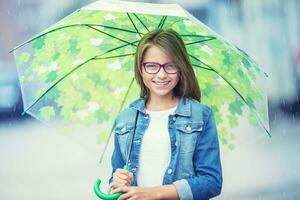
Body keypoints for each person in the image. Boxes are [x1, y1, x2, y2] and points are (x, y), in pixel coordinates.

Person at [109, 29, 222, 200]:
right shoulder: (125, 120)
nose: (161, 74)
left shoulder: (200, 115)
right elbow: (116, 185)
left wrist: (154, 193)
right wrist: (116, 183)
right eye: (152, 66)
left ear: (181, 67)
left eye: (170, 66)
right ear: (140, 69)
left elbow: (211, 182)